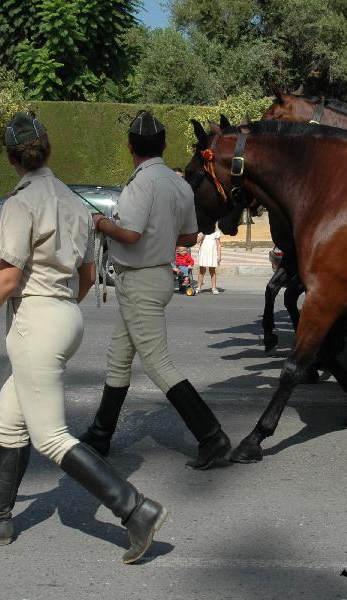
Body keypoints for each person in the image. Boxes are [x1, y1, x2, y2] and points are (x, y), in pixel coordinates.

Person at [0, 113, 166, 564]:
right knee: (10, 419)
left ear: (10, 157)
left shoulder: (21, 203)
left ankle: (137, 510)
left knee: (51, 437)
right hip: (64, 315)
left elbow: (6, 281)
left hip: (36, 321)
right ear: (48, 149)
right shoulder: (74, 202)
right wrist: (58, 314)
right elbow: (88, 275)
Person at [78, 110, 231, 469]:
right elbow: (191, 236)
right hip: (158, 275)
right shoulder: (178, 183)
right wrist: (159, 236)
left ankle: (212, 437)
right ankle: (100, 434)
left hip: (139, 280)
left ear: (130, 146)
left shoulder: (140, 184)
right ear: (163, 145)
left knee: (158, 363)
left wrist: (99, 222)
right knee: (119, 356)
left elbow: (130, 233)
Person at [196, 228, 222, 295]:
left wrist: (219, 255)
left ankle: (214, 288)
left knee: (212, 271)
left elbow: (218, 244)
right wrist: (203, 233)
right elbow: (197, 241)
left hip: (212, 253)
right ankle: (198, 287)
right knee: (201, 271)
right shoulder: (202, 231)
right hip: (203, 252)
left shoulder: (216, 232)